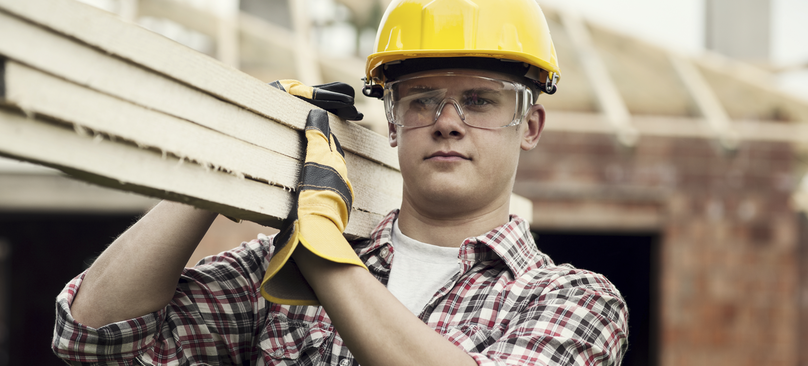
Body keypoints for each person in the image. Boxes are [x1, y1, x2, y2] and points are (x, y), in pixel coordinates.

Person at [52, 0, 629, 365]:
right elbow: (91, 336)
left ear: (530, 125)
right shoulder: (276, 269)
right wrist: (229, 160)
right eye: (421, 99)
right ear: (393, 123)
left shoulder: (576, 301)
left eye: (479, 100)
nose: (447, 121)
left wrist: (321, 255)